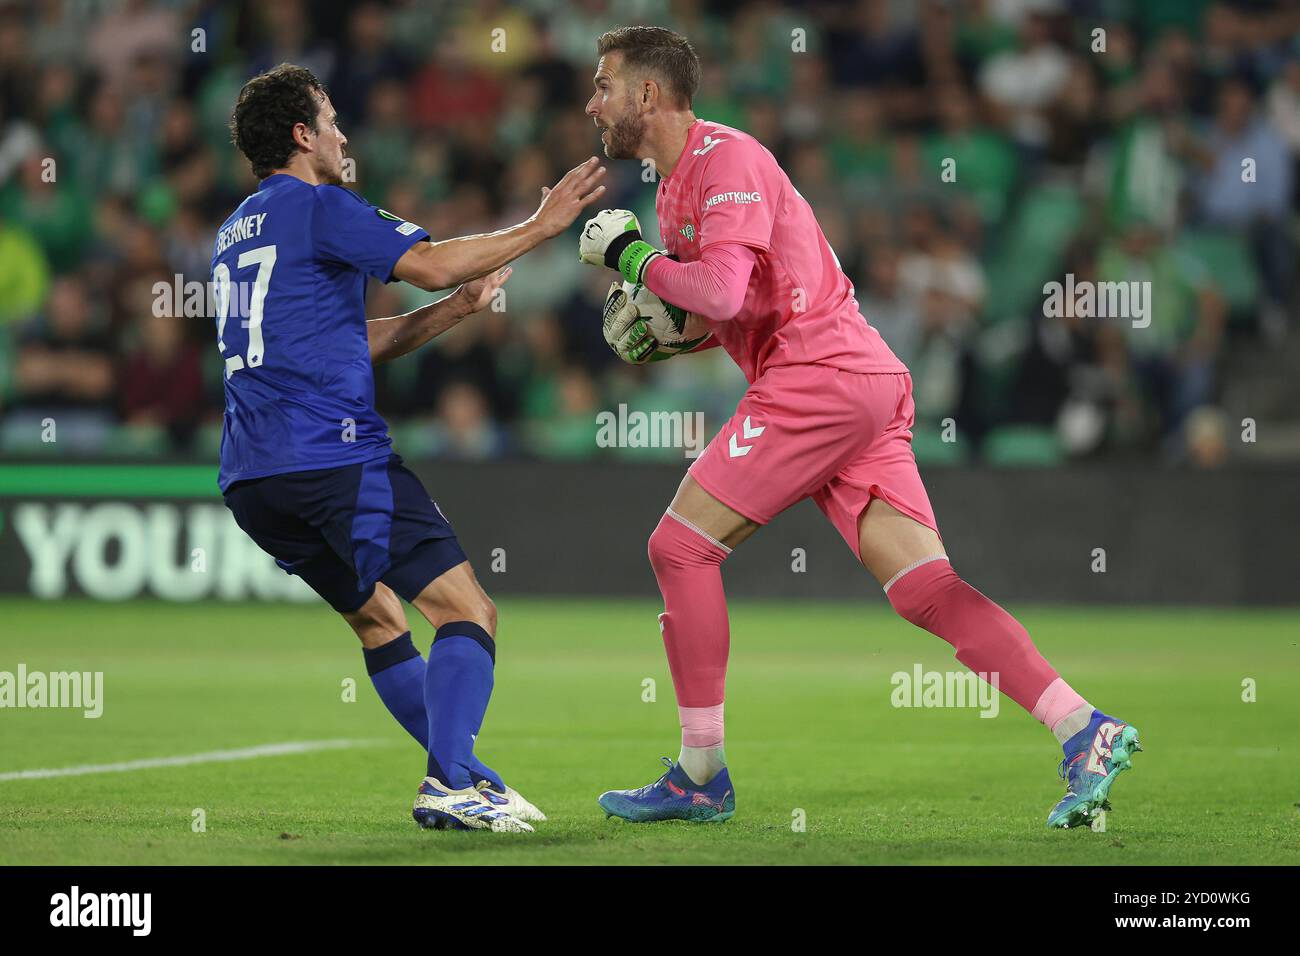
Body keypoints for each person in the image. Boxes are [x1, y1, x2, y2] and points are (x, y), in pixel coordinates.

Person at [578, 27, 1139, 828]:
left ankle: (701, 774)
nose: (591, 102)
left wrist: (632, 260)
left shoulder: (724, 159)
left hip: (818, 380)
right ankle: (1084, 727)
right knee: (925, 590)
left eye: (603, 85)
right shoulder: (672, 190)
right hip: (857, 380)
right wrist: (670, 333)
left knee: (678, 546)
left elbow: (726, 292)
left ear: (646, 94)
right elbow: (721, 308)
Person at [216, 63, 605, 832]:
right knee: (469, 609)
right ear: (302, 135)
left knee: (379, 620)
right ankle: (450, 783)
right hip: (331, 456)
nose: (343, 133)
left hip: (253, 480)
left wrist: (456, 311)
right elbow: (425, 263)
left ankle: (470, 781)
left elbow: (343, 341)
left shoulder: (234, 231)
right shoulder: (320, 206)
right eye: (330, 120)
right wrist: (541, 225)